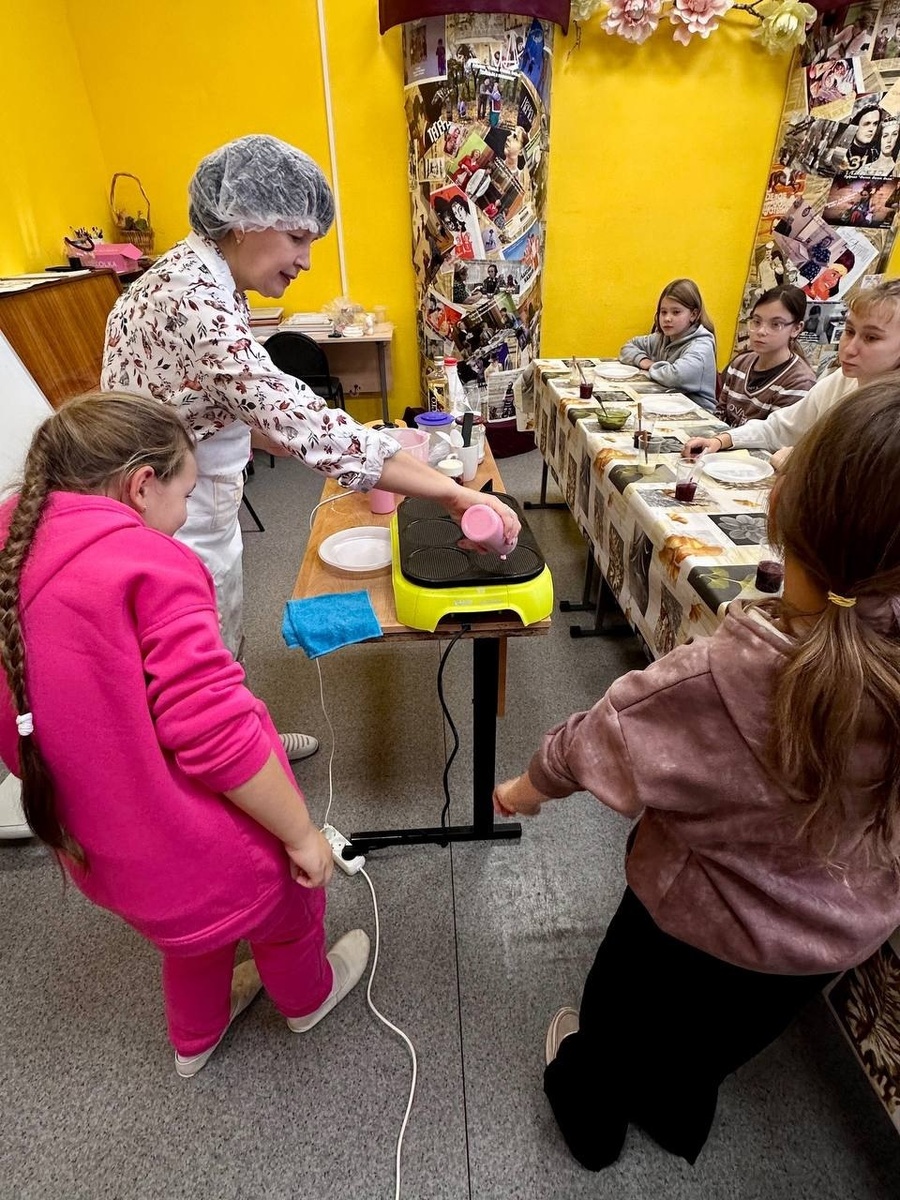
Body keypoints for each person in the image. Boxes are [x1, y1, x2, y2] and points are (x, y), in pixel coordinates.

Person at [494, 380, 900, 1170]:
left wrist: (523, 788)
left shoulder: (726, 675)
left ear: (789, 517)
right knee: (707, 1053)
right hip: (823, 947)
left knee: (615, 1030)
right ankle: (676, 1111)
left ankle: (591, 1120)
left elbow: (597, 740)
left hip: (689, 928)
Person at [102, 136, 519, 746]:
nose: (304, 261)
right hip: (172, 518)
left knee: (209, 653)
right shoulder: (194, 300)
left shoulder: (184, 278)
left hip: (181, 500)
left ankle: (244, 742)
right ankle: (230, 767)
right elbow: (307, 425)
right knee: (191, 673)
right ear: (243, 221)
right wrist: (453, 494)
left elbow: (212, 403)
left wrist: (274, 432)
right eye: (298, 238)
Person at [0, 394, 371, 1078]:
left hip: (101, 852)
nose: (184, 514)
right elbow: (213, 732)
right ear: (142, 485)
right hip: (204, 846)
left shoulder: (12, 549)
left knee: (189, 936)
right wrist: (300, 835)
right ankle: (307, 999)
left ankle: (195, 1038)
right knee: (290, 906)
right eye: (187, 494)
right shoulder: (150, 564)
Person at [684, 278, 900, 466]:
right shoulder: (841, 380)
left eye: (871, 338)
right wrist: (721, 440)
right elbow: (780, 428)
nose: (850, 348)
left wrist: (802, 461)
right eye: (849, 331)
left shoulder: (892, 410)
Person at [716, 286, 815, 426]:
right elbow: (720, 414)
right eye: (757, 322)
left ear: (796, 329)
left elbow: (772, 435)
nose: (761, 331)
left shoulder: (800, 383)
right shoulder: (740, 363)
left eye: (775, 324)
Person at [618, 278, 717, 411]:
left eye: (676, 312)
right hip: (666, 405)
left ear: (693, 315)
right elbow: (627, 348)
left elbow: (676, 376)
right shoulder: (662, 338)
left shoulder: (701, 345)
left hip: (697, 413)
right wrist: (643, 360)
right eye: (663, 312)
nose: (667, 318)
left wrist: (651, 366)